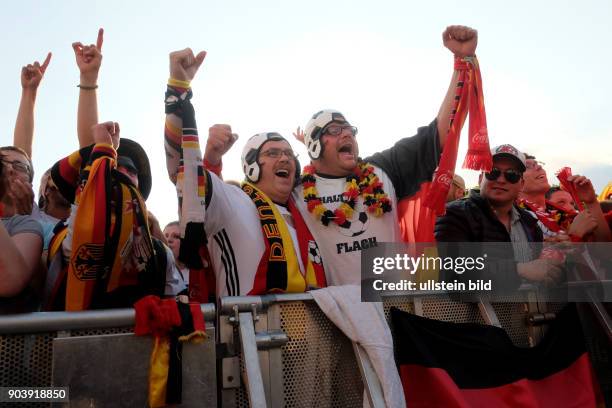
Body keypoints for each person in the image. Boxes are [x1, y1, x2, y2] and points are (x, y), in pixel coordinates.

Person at [293, 25, 480, 286]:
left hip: (399, 307)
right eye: (334, 131)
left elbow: (441, 131)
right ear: (313, 146)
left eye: (349, 129)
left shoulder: (384, 169)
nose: (346, 134)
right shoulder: (296, 191)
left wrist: (463, 61)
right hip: (337, 315)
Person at [164, 48, 326, 297]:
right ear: (251, 166)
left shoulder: (311, 208)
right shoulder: (233, 201)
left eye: (288, 153)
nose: (284, 158)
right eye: (272, 153)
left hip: (314, 331)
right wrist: (178, 88)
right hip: (250, 332)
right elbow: (182, 172)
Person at [435, 144, 563, 285]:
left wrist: (554, 266)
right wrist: (520, 269)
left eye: (511, 175)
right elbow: (454, 275)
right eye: (493, 171)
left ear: (521, 184)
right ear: (480, 179)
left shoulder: (530, 222)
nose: (501, 180)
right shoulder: (454, 214)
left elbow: (540, 271)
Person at [0, 148, 44, 312]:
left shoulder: (26, 224)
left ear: (30, 184)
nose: (9, 169)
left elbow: (10, 280)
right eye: (2, 164)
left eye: (19, 166)